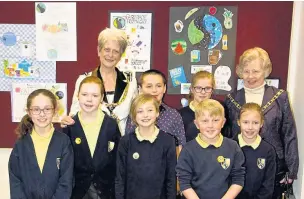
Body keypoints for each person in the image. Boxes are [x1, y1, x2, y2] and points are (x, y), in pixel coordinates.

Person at [224, 47, 299, 198]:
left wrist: (291, 170)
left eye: (256, 71)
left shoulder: (279, 97)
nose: (250, 76)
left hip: (274, 169)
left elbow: (289, 133)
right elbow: (226, 135)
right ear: (240, 72)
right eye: (246, 71)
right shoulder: (231, 100)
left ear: (265, 71)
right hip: (239, 167)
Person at [61, 27, 138, 135]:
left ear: (121, 55)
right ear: (99, 51)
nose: (110, 55)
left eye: (115, 51)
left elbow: (136, 115)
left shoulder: (130, 81)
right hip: (93, 142)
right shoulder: (84, 80)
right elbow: (75, 113)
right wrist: (67, 121)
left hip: (122, 145)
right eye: (107, 50)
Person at [8, 89, 73, 199]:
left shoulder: (63, 142)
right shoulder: (21, 145)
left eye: (47, 109)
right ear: (29, 112)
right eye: (36, 109)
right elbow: (15, 182)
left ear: (55, 111)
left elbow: (66, 182)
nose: (42, 114)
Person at [63, 76, 121, 199]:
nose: (89, 99)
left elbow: (118, 160)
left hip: (106, 191)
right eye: (84, 94)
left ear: (101, 98)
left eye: (95, 95)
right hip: (77, 191)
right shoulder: (69, 126)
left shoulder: (111, 124)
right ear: (77, 95)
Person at [176, 99, 245, 199]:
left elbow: (238, 179)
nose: (210, 125)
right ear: (196, 124)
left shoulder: (233, 147)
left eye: (216, 120)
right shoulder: (188, 150)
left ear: (223, 122)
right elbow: (184, 182)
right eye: (205, 121)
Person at [115, 93, 176, 199]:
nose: (145, 115)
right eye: (140, 111)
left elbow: (171, 178)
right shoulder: (125, 142)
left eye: (150, 110)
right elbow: (120, 178)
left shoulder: (168, 141)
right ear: (134, 115)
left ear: (157, 112)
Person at [125, 69, 186, 148]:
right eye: (149, 86)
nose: (154, 90)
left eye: (158, 86)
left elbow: (180, 146)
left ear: (164, 88)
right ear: (140, 89)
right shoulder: (134, 113)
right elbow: (128, 144)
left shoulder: (173, 115)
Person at [235, 103, 276, 199]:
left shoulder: (268, 151)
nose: (250, 127)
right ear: (238, 122)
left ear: (261, 123)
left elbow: (268, 185)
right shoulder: (229, 146)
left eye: (255, 123)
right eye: (245, 122)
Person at [179, 70, 215, 142]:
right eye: (198, 88)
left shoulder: (218, 111)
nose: (203, 92)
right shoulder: (181, 115)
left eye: (207, 88)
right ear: (192, 89)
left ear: (212, 90)